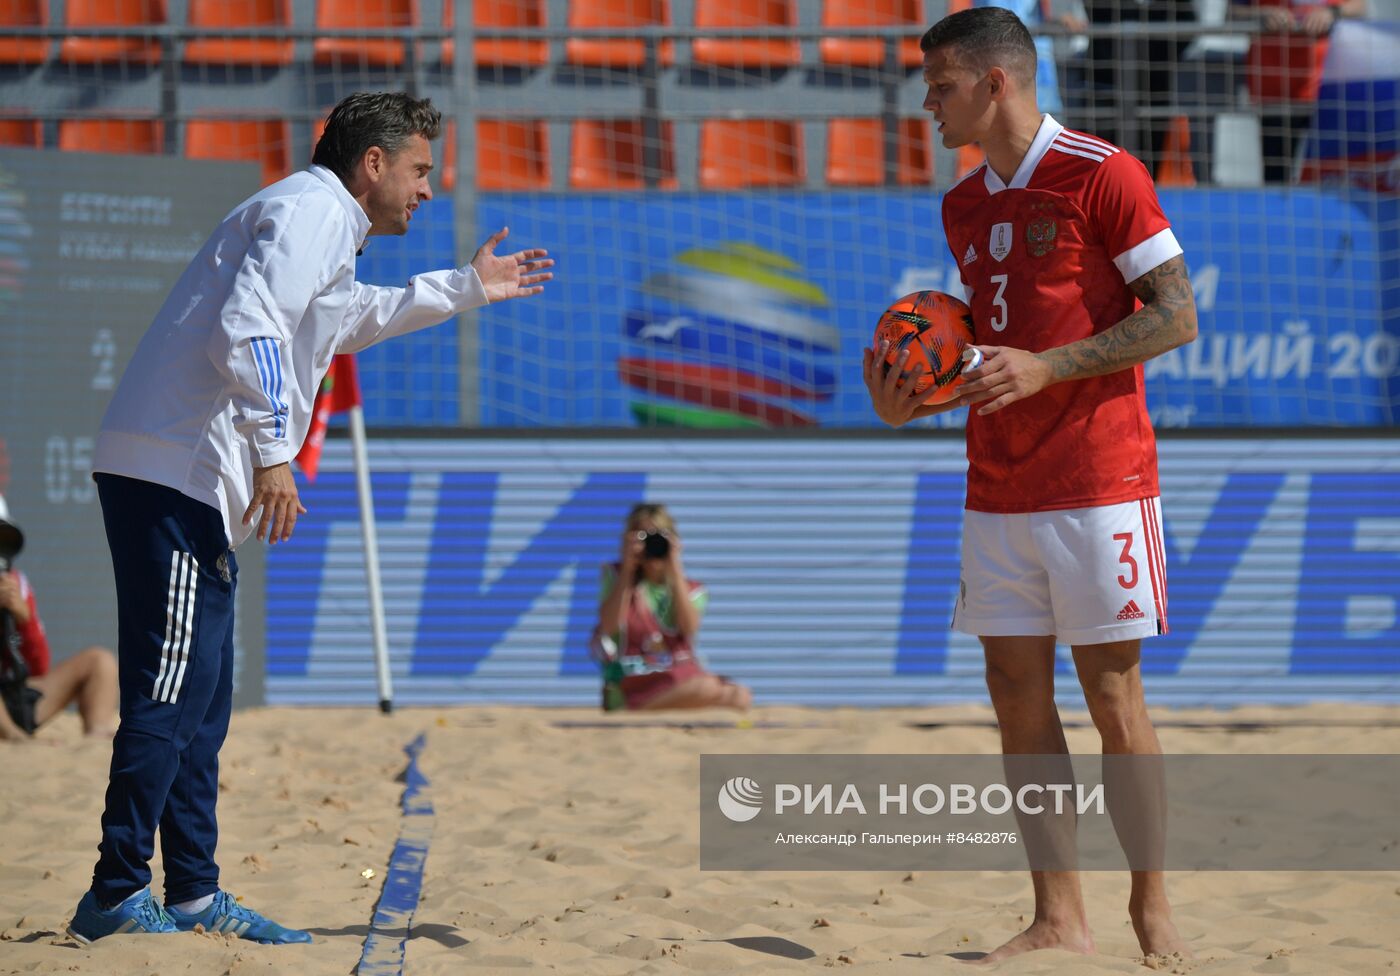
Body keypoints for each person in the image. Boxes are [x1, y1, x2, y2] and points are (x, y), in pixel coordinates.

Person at [67, 91, 553, 946]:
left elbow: (345, 320)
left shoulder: (322, 221)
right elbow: (244, 327)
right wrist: (273, 453)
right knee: (169, 693)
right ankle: (114, 892)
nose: (428, 191)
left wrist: (467, 288)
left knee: (202, 703)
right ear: (372, 165)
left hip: (189, 476)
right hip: (177, 470)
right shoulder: (311, 210)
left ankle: (192, 894)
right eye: (419, 170)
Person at [863, 7, 1198, 963]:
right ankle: (1058, 917)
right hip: (997, 483)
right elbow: (980, 349)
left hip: (1100, 477)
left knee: (1114, 700)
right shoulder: (964, 204)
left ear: (995, 82)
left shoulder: (1104, 173)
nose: (928, 104)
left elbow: (1176, 317)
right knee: (1015, 695)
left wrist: (1051, 368)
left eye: (940, 86)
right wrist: (912, 402)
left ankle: (1151, 906)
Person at [591, 503, 751, 712]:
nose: (651, 546)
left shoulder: (692, 589)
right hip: (633, 682)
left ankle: (657, 709)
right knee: (706, 687)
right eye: (643, 537)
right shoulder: (616, 577)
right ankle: (633, 710)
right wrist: (627, 570)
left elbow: (688, 628)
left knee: (740, 695)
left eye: (657, 537)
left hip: (675, 677)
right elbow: (609, 626)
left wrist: (674, 566)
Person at [0, 494, 118, 742]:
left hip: (16, 695)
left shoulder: (16, 586)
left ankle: (96, 740)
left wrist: (24, 618)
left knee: (100, 662)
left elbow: (39, 666)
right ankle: (14, 737)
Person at [1240, 0, 1367, 183]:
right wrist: (1263, 13)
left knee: (1330, 175)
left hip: (1327, 88)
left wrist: (1331, 12)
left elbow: (1360, 6)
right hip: (1274, 90)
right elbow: (1232, 12)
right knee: (1277, 178)